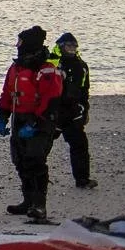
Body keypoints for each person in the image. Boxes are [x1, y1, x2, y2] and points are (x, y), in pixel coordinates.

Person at [0, 26, 65, 221]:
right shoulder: (16, 67)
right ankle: (28, 200)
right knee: (20, 160)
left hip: (40, 121)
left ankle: (39, 205)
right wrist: (2, 114)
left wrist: (35, 122)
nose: (17, 45)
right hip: (19, 118)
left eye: (20, 42)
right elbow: (7, 93)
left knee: (35, 160)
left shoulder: (46, 69)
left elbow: (50, 99)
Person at [50, 32, 97, 189]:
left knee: (80, 146)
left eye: (74, 46)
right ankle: (35, 180)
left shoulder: (81, 66)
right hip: (53, 112)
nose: (72, 49)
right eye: (69, 46)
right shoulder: (51, 63)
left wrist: (84, 110)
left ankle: (82, 179)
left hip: (73, 113)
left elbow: (84, 91)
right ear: (62, 47)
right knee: (42, 147)